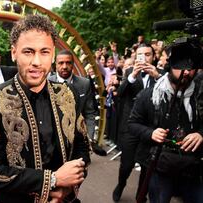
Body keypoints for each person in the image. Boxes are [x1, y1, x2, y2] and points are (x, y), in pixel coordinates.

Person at [0, 14, 91, 203]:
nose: (37, 61)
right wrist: (52, 181)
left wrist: (66, 188)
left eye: (44, 52)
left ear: (53, 53)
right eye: (28, 52)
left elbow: (82, 147)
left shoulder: (68, 94)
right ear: (14, 52)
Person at [128, 41, 203, 203]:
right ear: (170, 66)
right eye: (181, 66)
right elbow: (133, 123)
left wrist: (201, 134)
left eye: (191, 68)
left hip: (192, 168)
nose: (186, 72)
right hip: (159, 167)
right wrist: (151, 133)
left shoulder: (199, 96)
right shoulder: (149, 95)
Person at [113, 43, 163, 202]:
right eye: (140, 55)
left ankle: (140, 196)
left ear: (153, 56)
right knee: (126, 165)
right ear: (136, 57)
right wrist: (132, 76)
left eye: (148, 54)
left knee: (147, 166)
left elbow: (169, 96)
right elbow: (119, 94)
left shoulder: (162, 74)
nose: (144, 58)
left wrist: (158, 77)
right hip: (131, 126)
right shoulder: (129, 72)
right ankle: (120, 185)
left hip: (151, 128)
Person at [48, 49, 106, 156]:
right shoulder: (46, 83)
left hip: (78, 140)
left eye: (68, 63)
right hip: (53, 142)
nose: (64, 66)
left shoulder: (85, 83)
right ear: (55, 64)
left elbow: (89, 113)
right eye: (61, 63)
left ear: (73, 64)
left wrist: (89, 138)